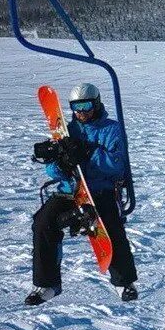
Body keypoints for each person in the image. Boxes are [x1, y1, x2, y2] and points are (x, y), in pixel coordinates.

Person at [26, 83, 138, 305]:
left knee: (110, 226)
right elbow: (53, 171)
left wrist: (88, 152)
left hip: (100, 189)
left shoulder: (112, 130)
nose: (81, 112)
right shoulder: (68, 131)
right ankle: (46, 285)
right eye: (76, 107)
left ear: (96, 104)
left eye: (86, 106)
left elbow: (117, 165)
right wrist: (60, 162)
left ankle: (124, 282)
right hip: (70, 190)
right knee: (42, 222)